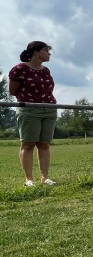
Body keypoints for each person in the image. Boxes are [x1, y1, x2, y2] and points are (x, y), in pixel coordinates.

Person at [8, 41, 58, 187]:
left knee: (44, 144)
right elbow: (12, 91)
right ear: (36, 52)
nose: (49, 54)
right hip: (29, 110)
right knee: (28, 144)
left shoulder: (46, 70)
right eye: (46, 50)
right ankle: (29, 180)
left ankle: (45, 178)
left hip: (49, 109)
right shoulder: (20, 69)